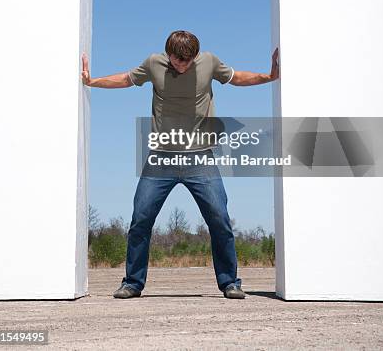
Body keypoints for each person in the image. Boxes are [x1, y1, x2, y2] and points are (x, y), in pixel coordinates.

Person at [81, 30, 279, 300]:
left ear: (196, 56)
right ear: (169, 54)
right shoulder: (153, 63)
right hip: (160, 157)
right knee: (140, 219)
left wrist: (268, 77)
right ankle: (132, 283)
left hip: (200, 157)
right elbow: (126, 79)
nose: (183, 65)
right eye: (178, 60)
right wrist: (92, 81)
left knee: (220, 219)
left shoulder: (209, 62)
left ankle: (230, 282)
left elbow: (237, 78)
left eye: (188, 61)